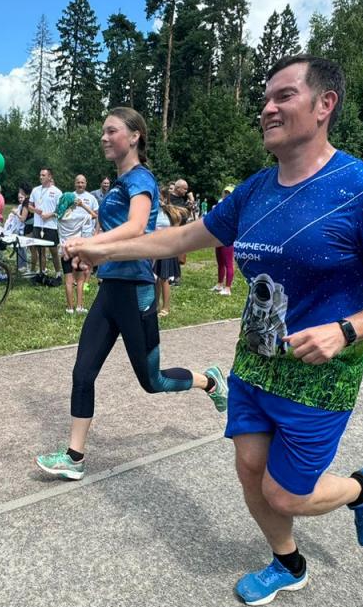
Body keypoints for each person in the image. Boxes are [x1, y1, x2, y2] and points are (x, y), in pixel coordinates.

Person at [65, 56, 363, 606]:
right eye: (265, 99)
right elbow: (180, 239)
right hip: (256, 360)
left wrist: (347, 330)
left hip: (320, 373)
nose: (267, 109)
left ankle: (362, 488)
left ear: (325, 104)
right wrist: (102, 249)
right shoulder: (256, 190)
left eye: (283, 96)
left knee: (284, 493)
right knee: (249, 471)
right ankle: (288, 562)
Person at [35, 108, 227, 481]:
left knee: (152, 381)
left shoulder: (141, 179)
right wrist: (89, 255)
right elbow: (110, 229)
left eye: (112, 131)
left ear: (135, 136)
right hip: (110, 289)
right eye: (103, 132)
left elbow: (137, 227)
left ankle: (210, 381)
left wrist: (91, 244)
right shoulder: (118, 184)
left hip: (136, 291)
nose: (104, 137)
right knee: (82, 371)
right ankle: (74, 457)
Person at [56, 175, 98, 314]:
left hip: (64, 250)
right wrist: (82, 205)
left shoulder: (60, 218)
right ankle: (79, 306)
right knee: (80, 279)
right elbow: (94, 215)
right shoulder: (79, 217)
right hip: (77, 250)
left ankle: (69, 308)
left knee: (68, 280)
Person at [152, 189, 186, 317]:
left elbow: (176, 230)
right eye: (157, 197)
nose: (158, 200)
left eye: (161, 197)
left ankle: (165, 307)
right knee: (155, 277)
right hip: (154, 247)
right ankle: (155, 305)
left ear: (166, 198)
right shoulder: (153, 211)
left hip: (167, 248)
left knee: (164, 278)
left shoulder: (172, 212)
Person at [29, 167, 61, 281]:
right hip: (38, 225)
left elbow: (60, 210)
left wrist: (49, 215)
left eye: (43, 175)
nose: (41, 177)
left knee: (53, 251)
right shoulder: (35, 190)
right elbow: (29, 206)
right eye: (40, 175)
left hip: (50, 225)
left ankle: (58, 273)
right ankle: (42, 272)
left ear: (50, 176)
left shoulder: (57, 192)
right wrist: (35, 210)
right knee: (40, 250)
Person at [213, 184, 235, 295]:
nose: (227, 195)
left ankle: (228, 288)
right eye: (226, 192)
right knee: (220, 262)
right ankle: (219, 284)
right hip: (218, 236)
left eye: (229, 193)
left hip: (228, 237)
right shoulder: (220, 203)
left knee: (228, 263)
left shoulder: (234, 206)